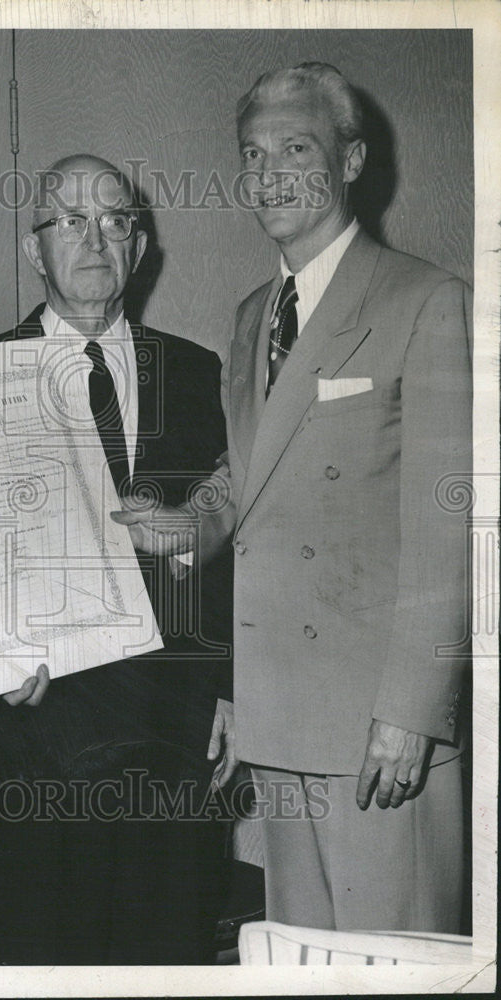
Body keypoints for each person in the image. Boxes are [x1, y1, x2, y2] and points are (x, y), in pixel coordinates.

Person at [115, 63, 472, 933]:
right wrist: (189, 521)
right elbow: (254, 470)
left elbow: (449, 520)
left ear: (351, 162)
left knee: (392, 967)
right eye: (251, 153)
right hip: (277, 715)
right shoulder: (251, 316)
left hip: (374, 725)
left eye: (295, 149)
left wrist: (412, 711)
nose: (268, 172)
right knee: (304, 958)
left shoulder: (423, 301)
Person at [0, 154, 234, 964]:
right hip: (33, 744)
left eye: (115, 220)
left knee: (170, 961)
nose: (94, 240)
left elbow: (230, 538)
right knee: (43, 966)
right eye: (69, 222)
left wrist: (228, 689)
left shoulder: (196, 373)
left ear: (140, 247)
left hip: (172, 738)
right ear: (33, 250)